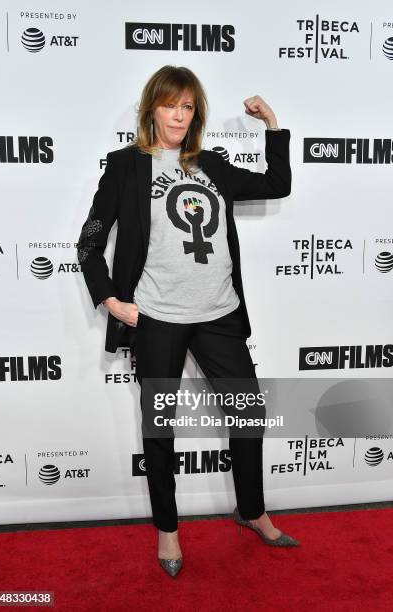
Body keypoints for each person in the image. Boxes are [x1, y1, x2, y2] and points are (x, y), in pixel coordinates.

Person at [76, 65, 300, 578]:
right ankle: (168, 532)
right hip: (158, 317)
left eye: (188, 107)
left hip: (219, 313)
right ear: (150, 108)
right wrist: (111, 299)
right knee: (160, 430)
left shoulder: (211, 165)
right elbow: (90, 241)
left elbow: (277, 183)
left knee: (248, 415)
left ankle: (253, 511)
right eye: (169, 105)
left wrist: (273, 126)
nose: (179, 115)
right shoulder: (126, 167)